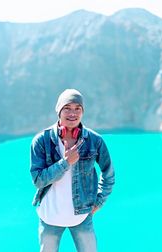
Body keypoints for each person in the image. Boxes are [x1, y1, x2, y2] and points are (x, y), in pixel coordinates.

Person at [30, 89, 115, 252]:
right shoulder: (41, 141)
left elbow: (108, 173)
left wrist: (99, 201)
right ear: (59, 111)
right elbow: (38, 180)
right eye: (67, 108)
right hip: (50, 218)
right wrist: (65, 163)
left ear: (83, 112)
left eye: (78, 108)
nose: (72, 113)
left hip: (82, 217)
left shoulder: (95, 141)